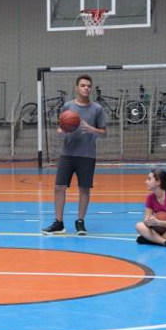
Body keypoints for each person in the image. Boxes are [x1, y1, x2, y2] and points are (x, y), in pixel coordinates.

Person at [41, 75, 106, 235]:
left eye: (89, 86)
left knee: (84, 189)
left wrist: (93, 130)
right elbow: (60, 128)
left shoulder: (97, 109)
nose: (86, 88)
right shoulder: (67, 107)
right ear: (76, 87)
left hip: (87, 155)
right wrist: (61, 132)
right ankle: (58, 223)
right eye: (83, 85)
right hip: (68, 154)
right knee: (59, 187)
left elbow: (104, 133)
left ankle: (80, 222)